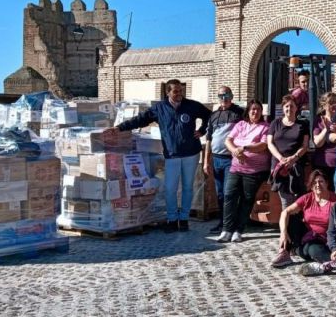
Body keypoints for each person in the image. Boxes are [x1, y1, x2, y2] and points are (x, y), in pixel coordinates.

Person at [113, 79, 210, 232]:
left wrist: (203, 130)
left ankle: (184, 219)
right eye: (175, 91)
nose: (179, 94)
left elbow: (209, 115)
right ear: (168, 92)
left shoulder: (191, 105)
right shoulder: (160, 108)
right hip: (172, 154)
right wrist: (120, 128)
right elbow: (141, 120)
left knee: (187, 187)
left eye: (181, 90)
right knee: (170, 188)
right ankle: (172, 219)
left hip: (191, 153)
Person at [218, 100, 271, 243]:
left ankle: (238, 230)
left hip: (254, 170)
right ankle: (226, 229)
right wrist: (235, 150)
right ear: (248, 111)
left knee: (246, 199)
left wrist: (245, 148)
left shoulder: (265, 127)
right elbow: (228, 140)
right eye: (253, 109)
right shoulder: (240, 125)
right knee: (229, 195)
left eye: (258, 109)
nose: (255, 112)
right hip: (236, 168)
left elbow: (263, 145)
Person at [270, 170, 336, 268]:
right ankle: (284, 252)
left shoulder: (335, 200)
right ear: (310, 185)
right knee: (291, 216)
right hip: (309, 236)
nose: (317, 185)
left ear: (327, 183)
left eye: (321, 181)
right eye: (314, 182)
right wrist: (283, 232)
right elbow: (285, 212)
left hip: (326, 240)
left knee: (311, 250)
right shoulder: (307, 198)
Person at [204, 86, 244, 234]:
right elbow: (208, 139)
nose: (224, 98)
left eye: (227, 95)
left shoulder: (239, 113)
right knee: (220, 193)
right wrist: (206, 161)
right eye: (221, 95)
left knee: (229, 193)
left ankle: (230, 224)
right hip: (216, 159)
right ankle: (222, 222)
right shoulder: (213, 115)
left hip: (231, 159)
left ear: (232, 96)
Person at [267, 94, 310, 207]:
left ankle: (295, 223)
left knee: (298, 198)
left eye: (292, 106)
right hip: (279, 165)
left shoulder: (303, 124)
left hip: (296, 165)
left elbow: (305, 145)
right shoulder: (275, 123)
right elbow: (270, 143)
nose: (289, 109)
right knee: (285, 199)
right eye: (286, 106)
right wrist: (281, 158)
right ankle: (286, 223)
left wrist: (294, 158)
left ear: (296, 108)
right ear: (283, 108)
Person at [312, 92, 336, 190]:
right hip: (323, 163)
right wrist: (326, 129)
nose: (334, 105)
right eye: (331, 103)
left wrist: (328, 137)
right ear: (324, 105)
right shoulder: (318, 121)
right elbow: (318, 143)